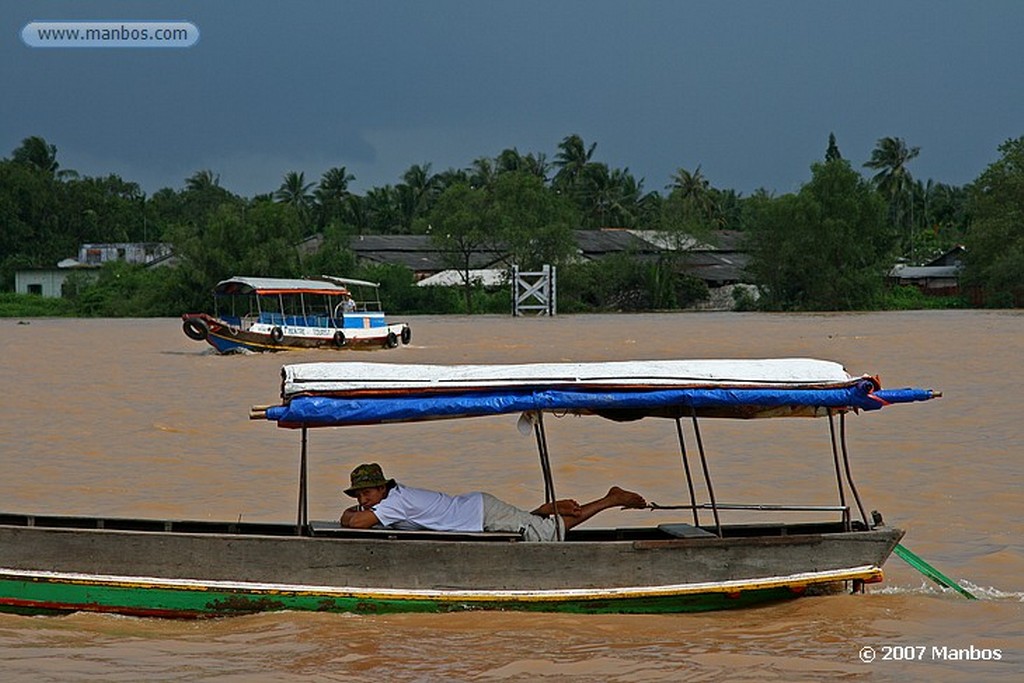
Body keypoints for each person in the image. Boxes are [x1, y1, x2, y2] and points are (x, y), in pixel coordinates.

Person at [339, 462, 647, 542]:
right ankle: (540, 511)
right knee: (528, 524)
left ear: (382, 488)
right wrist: (356, 511)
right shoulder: (393, 497)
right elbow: (356, 518)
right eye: (358, 495)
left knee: (546, 533)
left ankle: (611, 498)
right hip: (478, 512)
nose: (363, 499)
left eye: (367, 493)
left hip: (481, 514)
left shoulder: (394, 503)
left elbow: (355, 523)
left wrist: (352, 513)